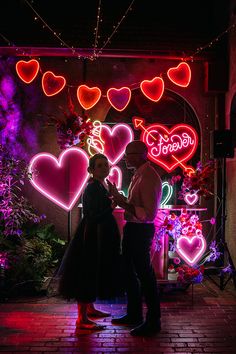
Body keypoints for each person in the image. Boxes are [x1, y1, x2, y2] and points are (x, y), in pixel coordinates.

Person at [58, 153, 122, 330]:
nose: (104, 168)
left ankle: (90, 309)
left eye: (106, 165)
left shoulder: (101, 185)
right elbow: (91, 215)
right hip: (90, 235)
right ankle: (82, 318)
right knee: (86, 272)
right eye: (100, 165)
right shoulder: (92, 187)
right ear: (91, 170)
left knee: (92, 272)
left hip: (97, 234)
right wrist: (111, 207)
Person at [107, 140, 162, 336]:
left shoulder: (148, 177)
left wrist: (122, 201)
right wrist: (119, 199)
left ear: (142, 155)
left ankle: (153, 321)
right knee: (129, 273)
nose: (125, 158)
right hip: (132, 229)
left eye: (129, 154)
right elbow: (135, 207)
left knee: (145, 275)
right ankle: (134, 314)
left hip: (141, 231)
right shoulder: (139, 174)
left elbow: (148, 214)